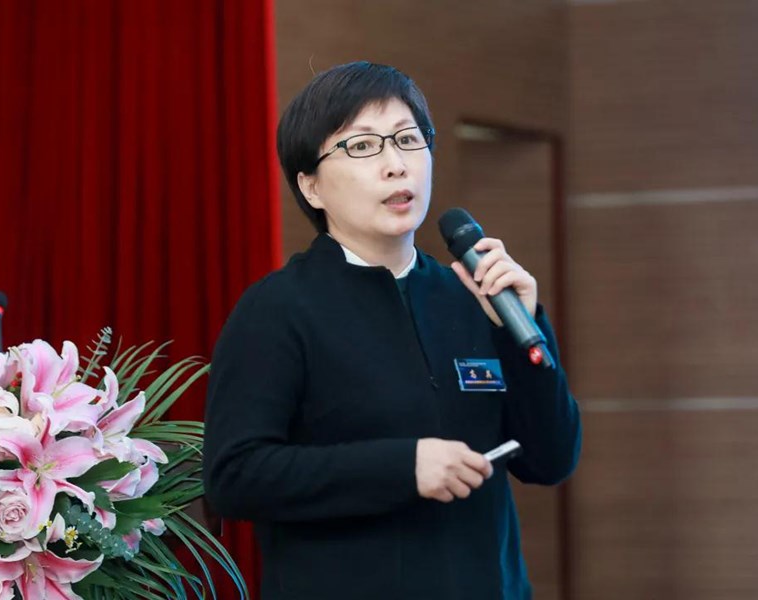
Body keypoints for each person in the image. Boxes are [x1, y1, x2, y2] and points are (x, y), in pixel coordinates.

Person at [203, 61, 581, 600]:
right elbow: (234, 476)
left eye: (408, 139)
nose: (396, 165)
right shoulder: (277, 309)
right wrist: (404, 467)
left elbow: (551, 460)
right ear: (310, 186)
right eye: (362, 146)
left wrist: (522, 329)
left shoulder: (472, 295)